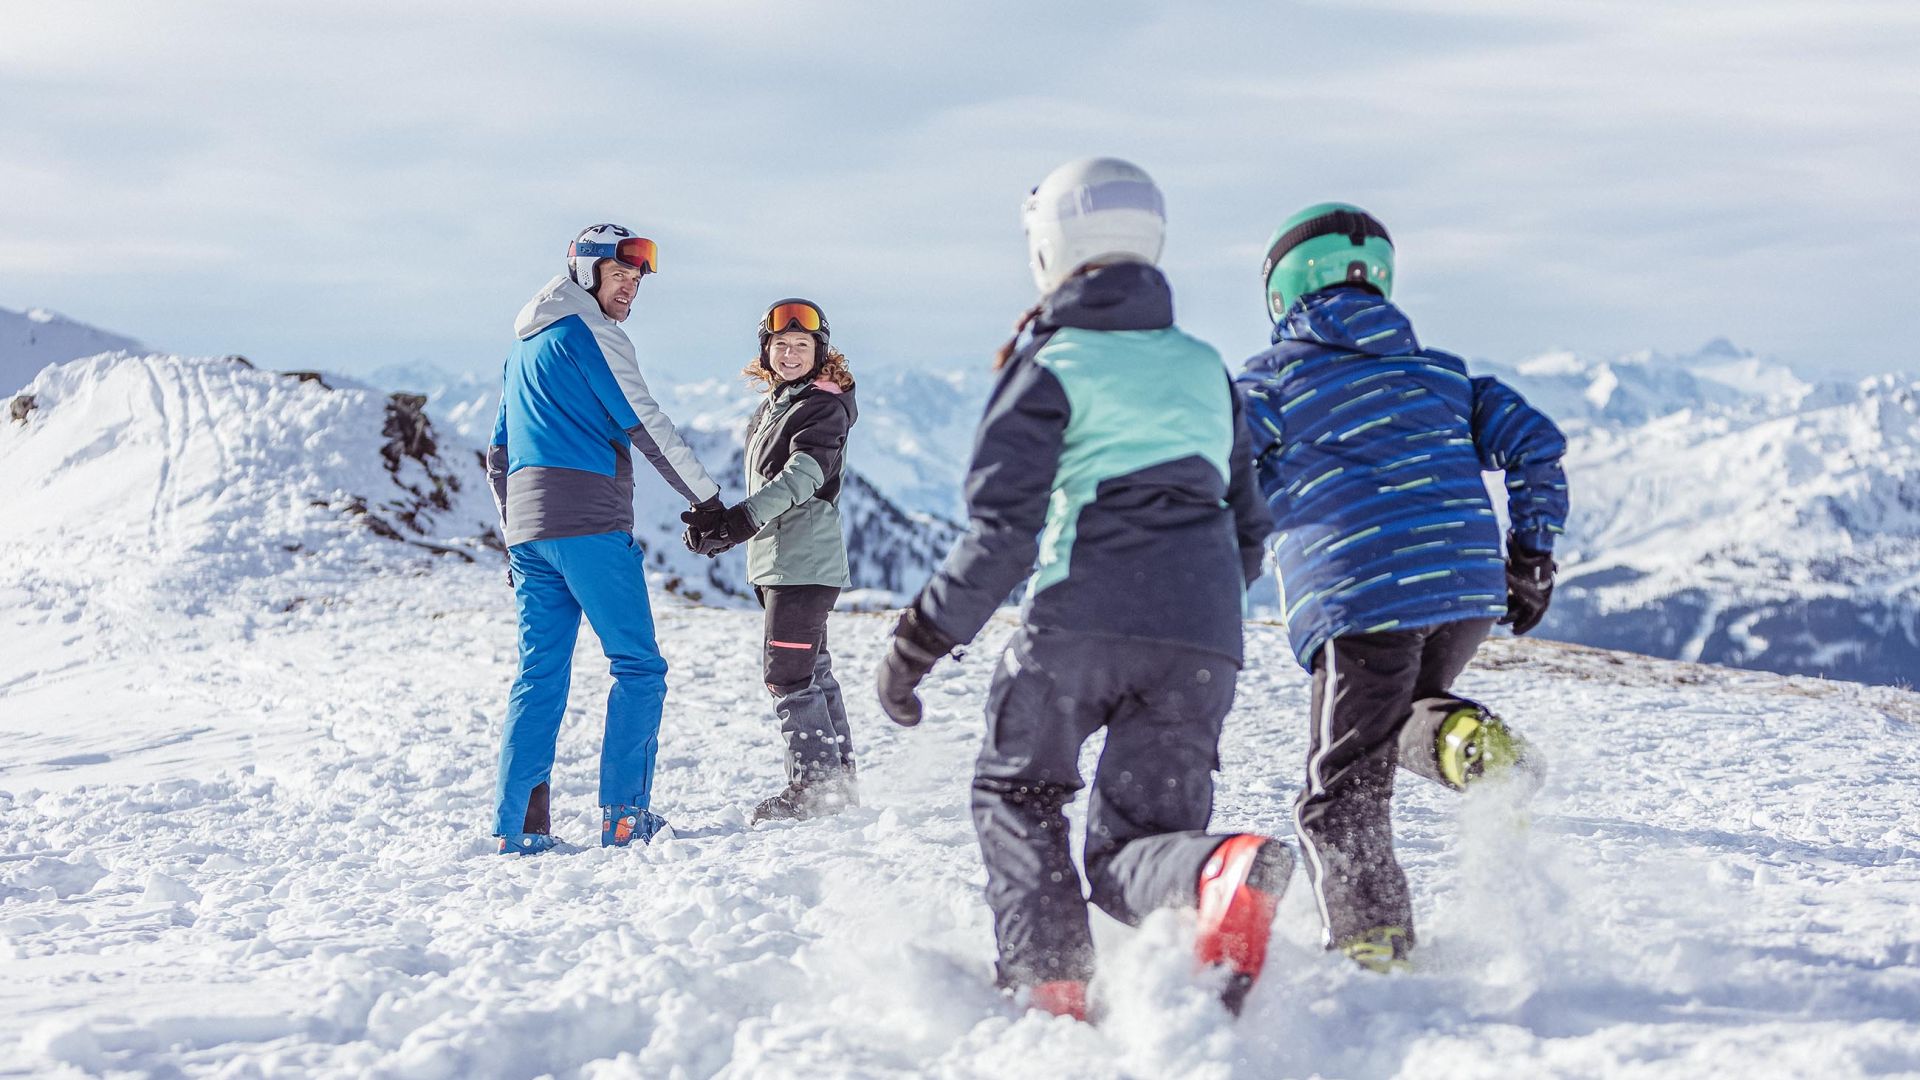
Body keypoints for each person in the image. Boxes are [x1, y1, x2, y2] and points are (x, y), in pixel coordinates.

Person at [875, 158, 1292, 1020]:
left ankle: (1051, 981)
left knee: (1016, 790)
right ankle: (1217, 869)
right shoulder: (1206, 368)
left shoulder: (1052, 363)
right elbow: (1251, 525)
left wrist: (918, 641)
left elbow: (1003, 535)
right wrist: (1189, 609)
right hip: (1205, 634)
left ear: (1048, 249)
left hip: (1078, 618)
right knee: (1141, 847)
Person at [1234, 202, 1568, 970]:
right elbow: (1537, 445)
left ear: (1283, 293)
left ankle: (1370, 943)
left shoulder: (1275, 378)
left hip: (1359, 598)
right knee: (1398, 716)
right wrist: (1531, 555)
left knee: (1338, 790)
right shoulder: (1442, 374)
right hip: (1462, 592)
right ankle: (1466, 742)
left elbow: (1215, 460)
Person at [485, 223, 725, 854]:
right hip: (589, 522)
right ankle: (625, 820)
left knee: (539, 674)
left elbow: (499, 452)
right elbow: (644, 422)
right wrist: (708, 500)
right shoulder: (592, 332)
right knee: (640, 667)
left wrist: (515, 535)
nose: (631, 289)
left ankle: (519, 829)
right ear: (585, 274)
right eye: (620, 275)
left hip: (531, 534)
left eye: (638, 278)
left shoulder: (524, 347)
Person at [682, 298, 861, 824]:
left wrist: (739, 523)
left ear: (819, 351)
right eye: (780, 344)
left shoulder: (821, 408)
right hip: (783, 560)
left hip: (803, 561)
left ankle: (813, 790)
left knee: (787, 675)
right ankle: (837, 789)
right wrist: (719, 524)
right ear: (766, 351)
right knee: (813, 671)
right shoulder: (779, 404)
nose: (789, 353)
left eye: (801, 345)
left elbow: (803, 478)